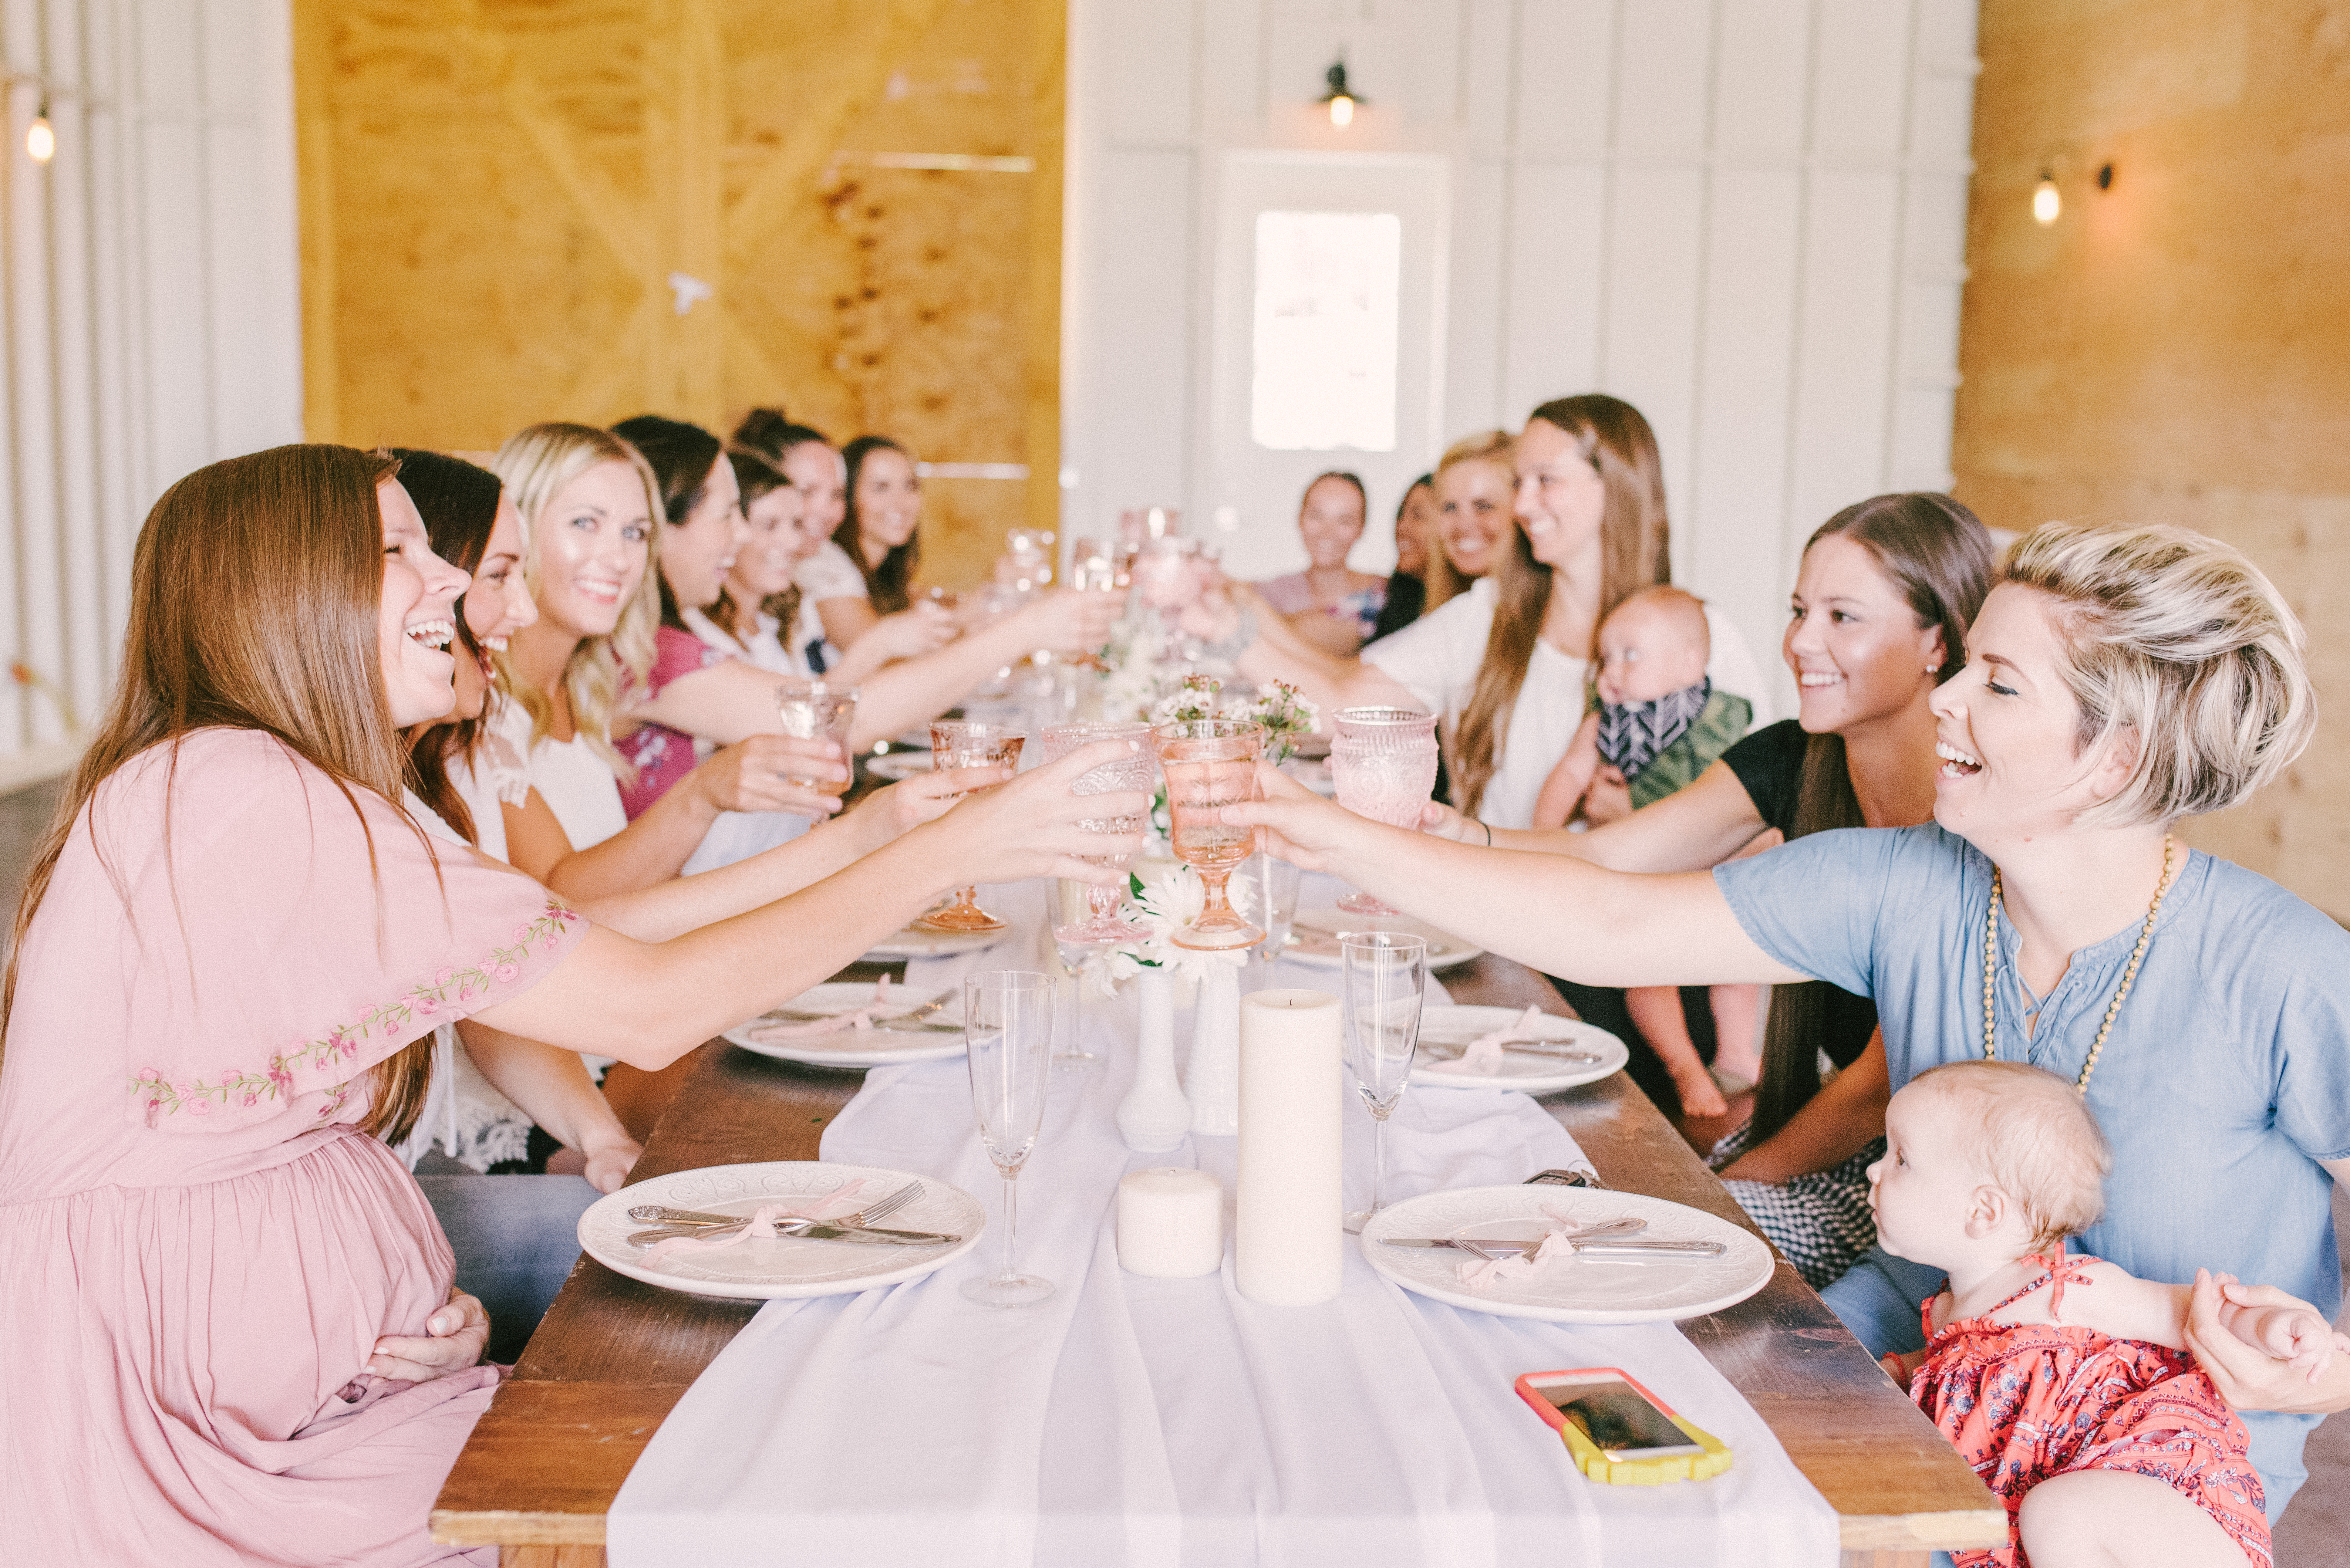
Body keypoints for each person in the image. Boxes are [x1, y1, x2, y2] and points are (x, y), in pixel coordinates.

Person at [0, 442, 1144, 1565]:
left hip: (330, 1389)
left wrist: (877, 836)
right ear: (283, 591)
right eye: (402, 549)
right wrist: (961, 845)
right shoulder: (249, 798)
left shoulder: (283, 787)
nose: (450, 580)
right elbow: (645, 1007)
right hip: (185, 1449)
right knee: (751, 1444)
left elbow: (572, 945)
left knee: (782, 1387)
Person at [1230, 518, 2350, 1516]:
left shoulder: (2285, 970)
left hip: (2144, 1475)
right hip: (1901, 1382)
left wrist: (2329, 1366)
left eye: (1995, 686)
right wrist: (1329, 830)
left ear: (2117, 756)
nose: (1944, 699)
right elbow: (1611, 925)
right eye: (1959, 667)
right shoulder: (1904, 880)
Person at [1416, 492, 1991, 1276]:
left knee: (1628, 1248)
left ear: (1936, 640)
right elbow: (1618, 853)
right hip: (1830, 1139)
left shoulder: (1975, 808)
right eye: (1798, 611)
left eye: (1841, 617)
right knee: (1564, 1199)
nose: (1799, 642)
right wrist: (1463, 836)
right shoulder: (1793, 756)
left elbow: (1875, 1086)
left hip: (1936, 1185)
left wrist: (1717, 1192)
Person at [1217, 395, 1769, 831]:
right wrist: (1226, 623)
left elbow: (1747, 815)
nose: (1522, 505)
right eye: (1519, 484)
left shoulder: (1704, 636)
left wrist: (1649, 827)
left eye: (1545, 481)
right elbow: (1345, 701)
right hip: (1494, 925)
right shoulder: (1485, 616)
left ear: (1617, 487)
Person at [1874, 1061, 2334, 1568]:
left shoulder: (2067, 1290)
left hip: (2165, 1504)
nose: (1874, 1170)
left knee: (2059, 1513)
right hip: (2077, 1532)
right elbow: (1955, 1372)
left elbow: (2194, 1313)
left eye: (1900, 1159)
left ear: (1983, 1212)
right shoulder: (1949, 1314)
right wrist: (1897, 1371)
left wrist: (2271, 1327)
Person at [610, 416, 1125, 845]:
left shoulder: (668, 642)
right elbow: (838, 723)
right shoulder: (647, 656)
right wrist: (1024, 629)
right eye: (731, 516)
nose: (743, 536)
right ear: (658, 526)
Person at [489, 423, 839, 899]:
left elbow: (641, 895)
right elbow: (562, 903)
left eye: (634, 533)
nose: (618, 558)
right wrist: (704, 794)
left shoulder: (585, 684)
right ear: (517, 527)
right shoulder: (477, 702)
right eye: (585, 523)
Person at [1529, 584, 1755, 1116]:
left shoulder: (1719, 722)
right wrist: (1545, 836)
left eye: (1631, 655)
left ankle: (1738, 1050)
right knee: (1651, 975)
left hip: (1705, 873)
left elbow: (1736, 803)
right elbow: (1567, 776)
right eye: (1606, 658)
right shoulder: (1604, 725)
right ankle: (1685, 1070)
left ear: (1688, 664)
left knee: (1741, 960)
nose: (1612, 671)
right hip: (1643, 882)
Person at [731, 409, 957, 675]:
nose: (826, 511)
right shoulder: (815, 572)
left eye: (836, 495)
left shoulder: (799, 585)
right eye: (806, 492)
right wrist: (880, 643)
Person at [1254, 471, 1388, 656]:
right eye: (1317, 516)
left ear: (1361, 528)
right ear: (1300, 518)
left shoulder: (1389, 597)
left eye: (1345, 521)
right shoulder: (1269, 595)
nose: (1328, 533)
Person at [1363, 473, 1456, 646]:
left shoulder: (1467, 611)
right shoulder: (1395, 601)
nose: (1402, 527)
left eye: (1418, 516)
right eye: (1401, 514)